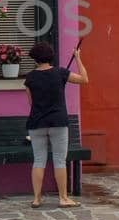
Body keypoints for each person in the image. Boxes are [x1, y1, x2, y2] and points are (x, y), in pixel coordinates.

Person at [24, 41, 88, 208]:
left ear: (35, 59)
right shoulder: (60, 73)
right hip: (58, 122)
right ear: (50, 57)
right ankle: (63, 198)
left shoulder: (29, 78)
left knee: (39, 160)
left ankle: (37, 199)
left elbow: (31, 103)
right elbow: (84, 79)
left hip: (37, 122)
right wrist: (78, 58)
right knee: (60, 160)